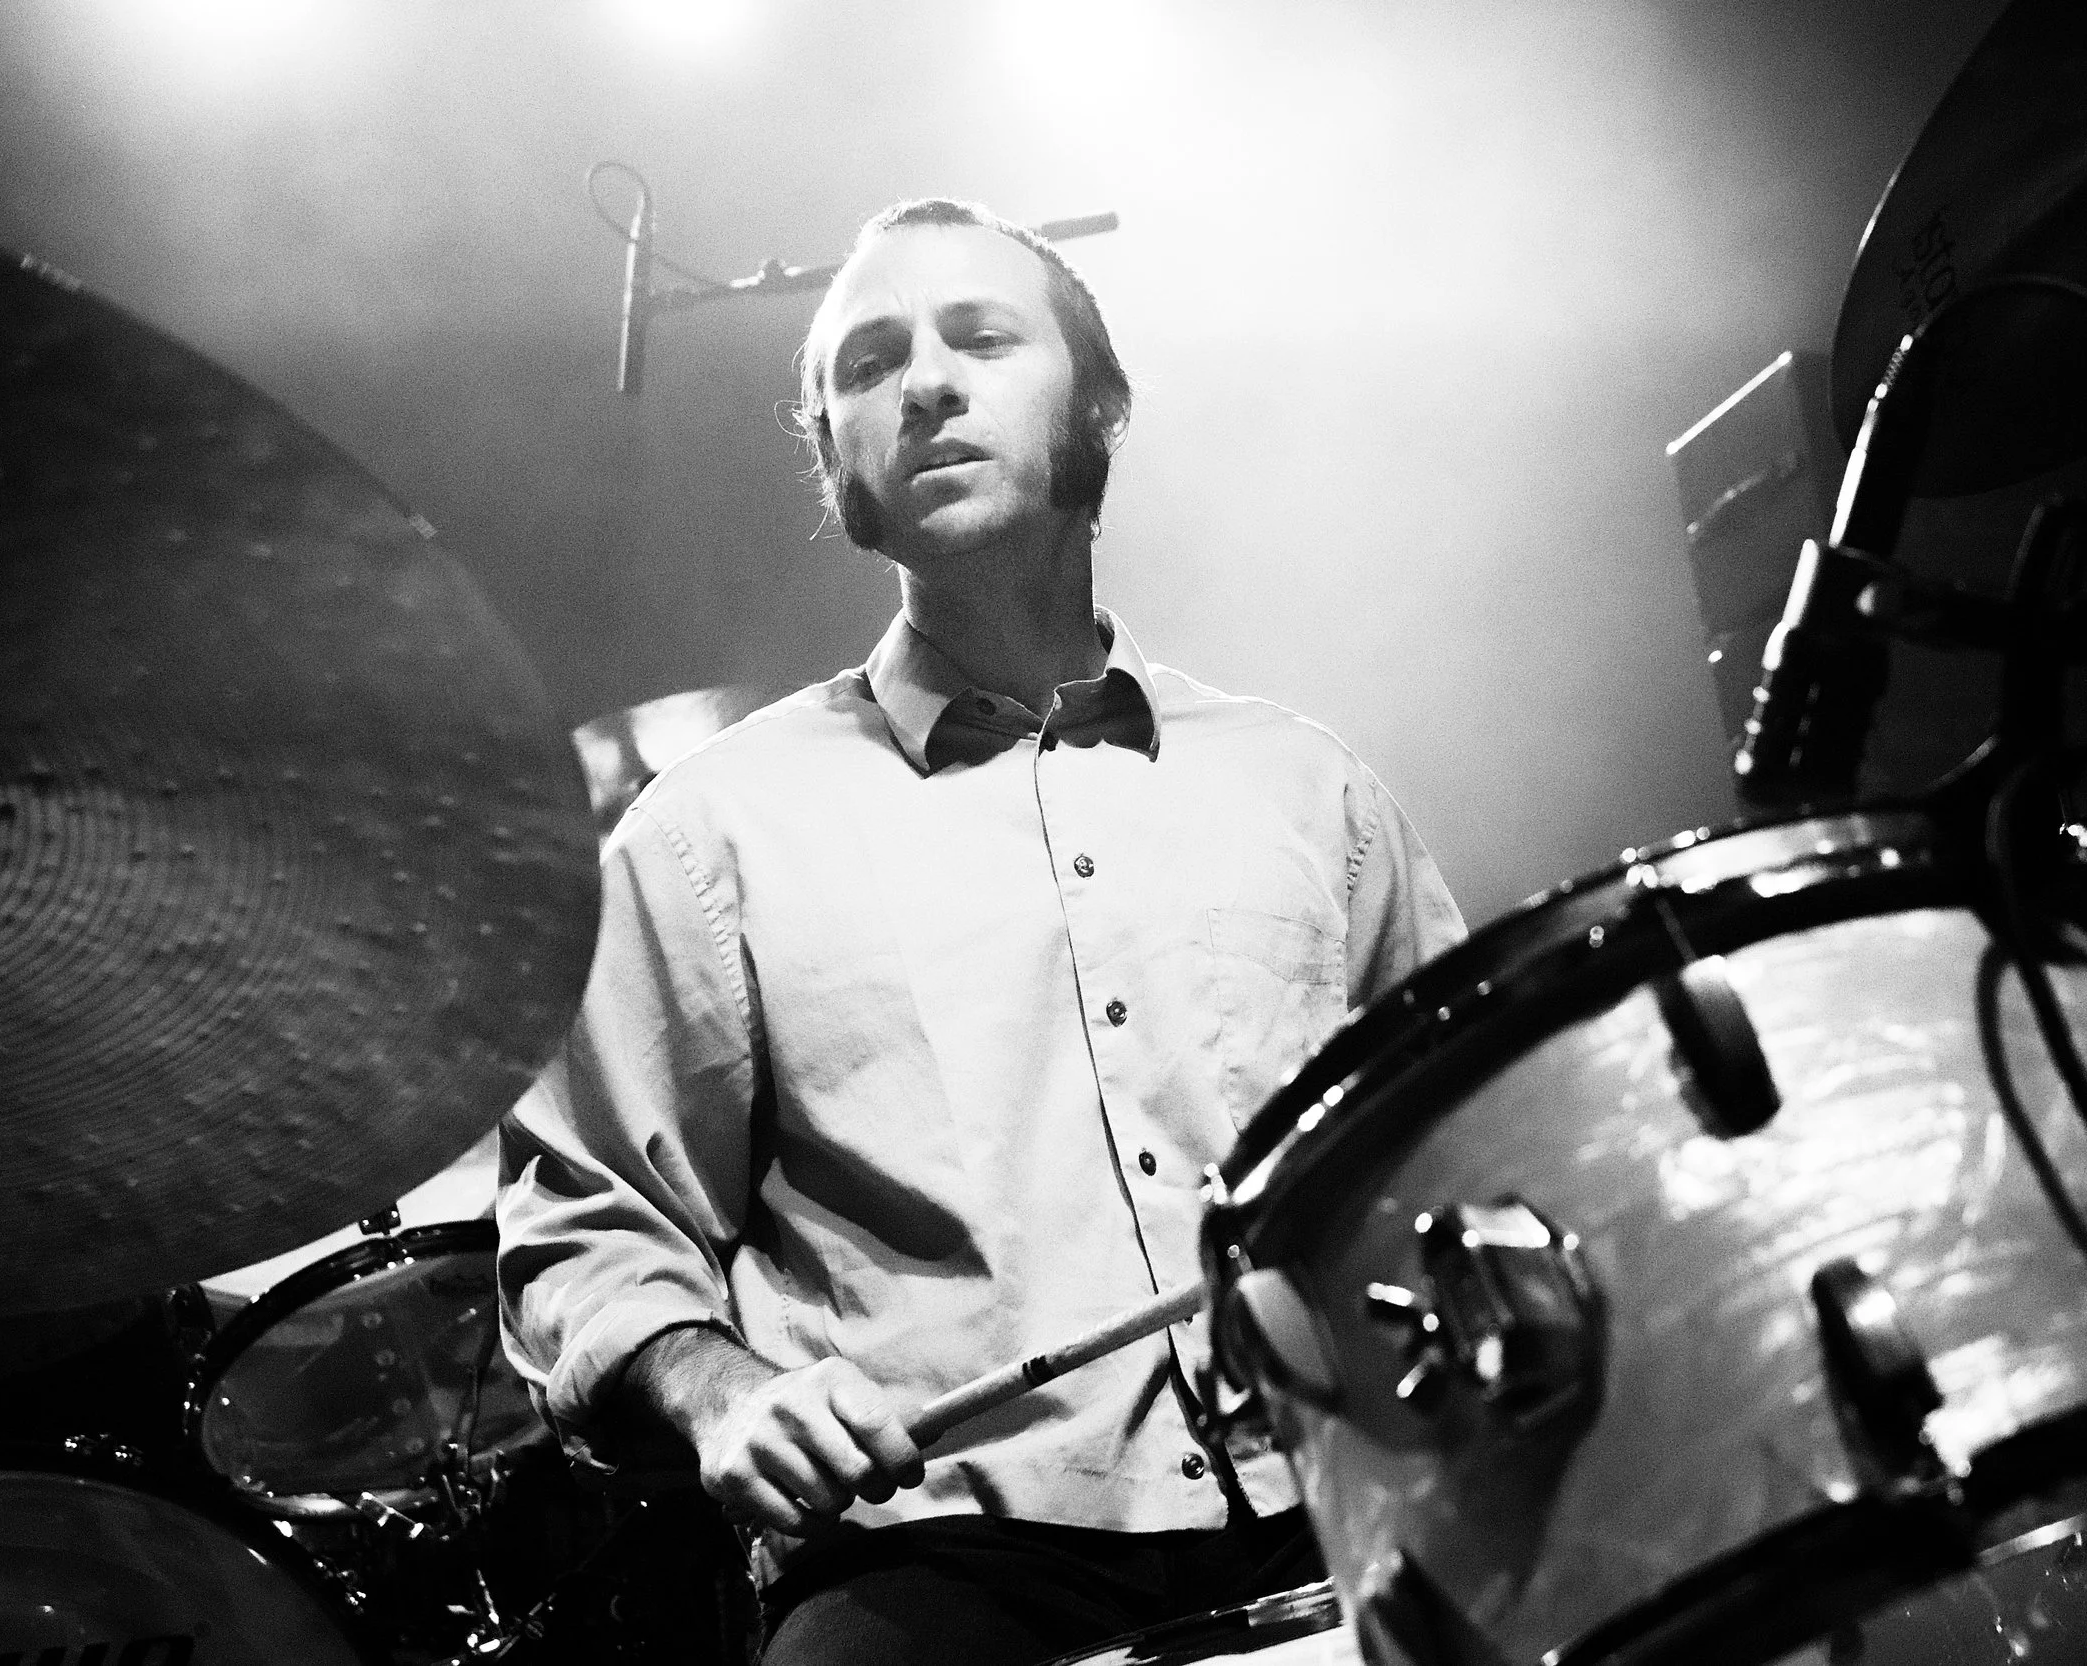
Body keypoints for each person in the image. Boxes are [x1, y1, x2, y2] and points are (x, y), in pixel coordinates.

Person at [497, 198, 1464, 1666]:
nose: (928, 381)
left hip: (1338, 1493)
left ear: (1101, 412)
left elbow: (1463, 1143)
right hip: (938, 1556)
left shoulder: (1308, 788)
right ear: (839, 465)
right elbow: (583, 1237)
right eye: (872, 362)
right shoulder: (707, 835)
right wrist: (725, 1394)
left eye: (983, 338)